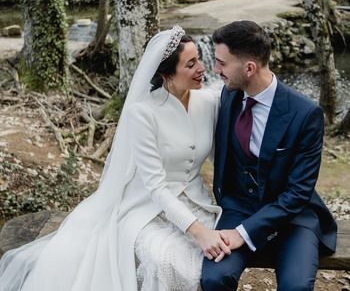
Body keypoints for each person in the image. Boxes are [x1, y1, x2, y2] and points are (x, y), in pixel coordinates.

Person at [0, 26, 231, 291]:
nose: (202, 68)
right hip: (146, 208)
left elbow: (219, 160)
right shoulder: (142, 113)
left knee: (206, 262)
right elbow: (156, 187)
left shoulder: (210, 102)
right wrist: (199, 233)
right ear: (166, 74)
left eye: (199, 58)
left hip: (198, 204)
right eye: (191, 64)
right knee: (165, 262)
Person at [201, 20, 337, 291]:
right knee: (214, 279)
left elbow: (298, 193)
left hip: (292, 217)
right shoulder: (228, 96)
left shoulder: (305, 114)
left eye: (222, 64)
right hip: (238, 208)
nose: (215, 70)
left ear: (249, 68)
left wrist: (243, 233)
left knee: (296, 287)